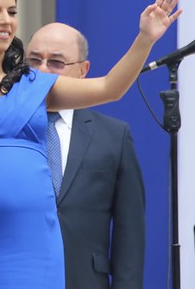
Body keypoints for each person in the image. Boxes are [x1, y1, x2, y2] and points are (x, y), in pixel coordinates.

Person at [0, 0, 179, 288]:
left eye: (12, 12)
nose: (6, 21)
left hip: (35, 249)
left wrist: (145, 39)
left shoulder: (36, 87)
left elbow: (111, 88)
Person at [26, 22, 145, 288]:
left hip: (85, 279)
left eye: (56, 62)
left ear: (83, 71)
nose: (43, 70)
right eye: (34, 60)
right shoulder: (7, 128)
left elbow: (130, 231)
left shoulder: (113, 136)